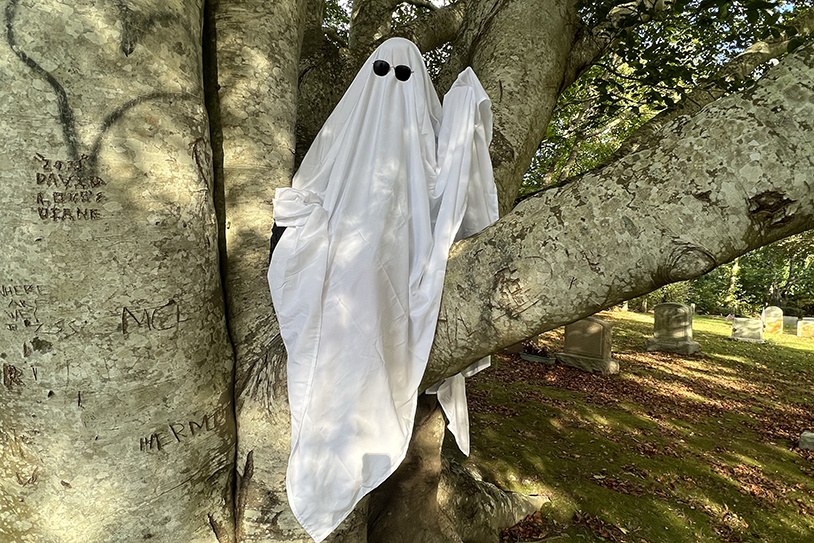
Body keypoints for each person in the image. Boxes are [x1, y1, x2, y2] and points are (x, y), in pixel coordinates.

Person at [268, 37, 498, 542]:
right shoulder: (343, 138)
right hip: (343, 283)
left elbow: (451, 192)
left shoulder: (430, 154)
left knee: (380, 353)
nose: (392, 84)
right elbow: (306, 192)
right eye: (383, 72)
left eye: (404, 75)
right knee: (337, 363)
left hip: (399, 279)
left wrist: (463, 115)